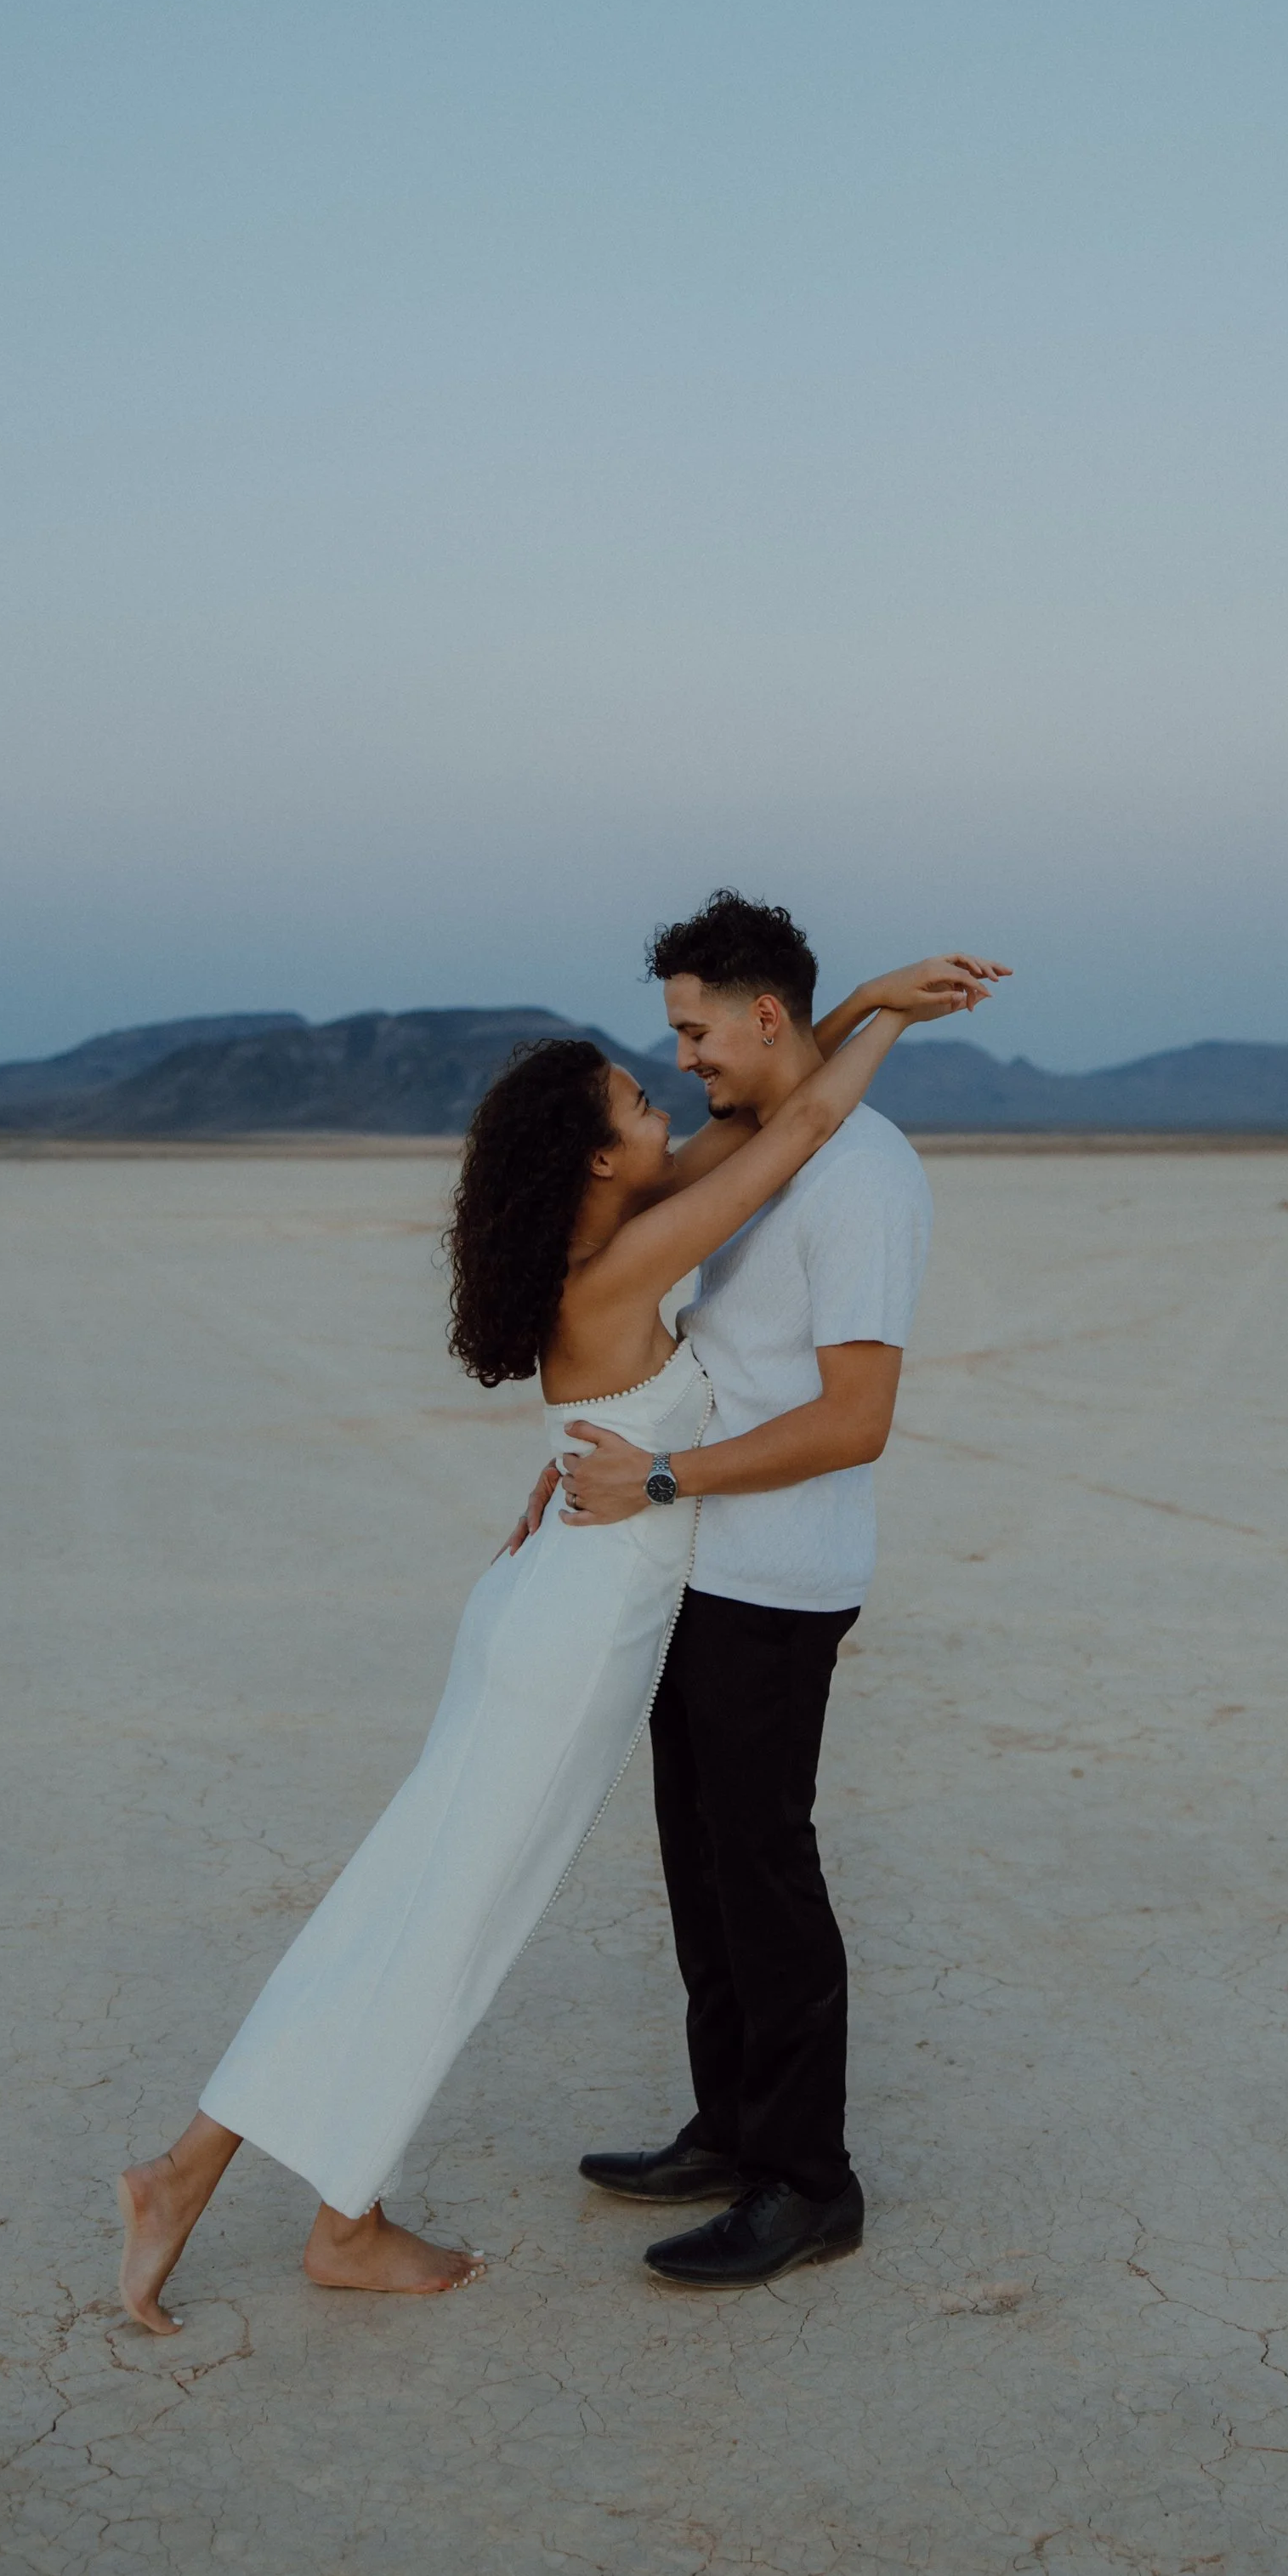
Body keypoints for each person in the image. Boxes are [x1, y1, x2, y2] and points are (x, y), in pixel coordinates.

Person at [114, 940, 1001, 2332]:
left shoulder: (606, 1240)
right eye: (642, 1100)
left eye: (686, 1052)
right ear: (598, 1164)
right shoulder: (637, 1250)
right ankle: (316, 2211)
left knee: (416, 1895)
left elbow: (776, 1092)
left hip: (563, 1609)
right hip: (581, 1632)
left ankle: (198, 2171)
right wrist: (885, 1007)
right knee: (446, 1915)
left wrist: (854, 1014)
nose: (674, 1093)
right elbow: (803, 1110)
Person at [511, 893, 1007, 2289]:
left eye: (692, 1029)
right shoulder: (767, 1156)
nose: (680, 1059)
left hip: (775, 1583)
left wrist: (662, 1484)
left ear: (763, 1014)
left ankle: (809, 2180)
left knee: (767, 1879)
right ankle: (730, 2128)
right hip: (691, 1567)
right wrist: (600, 1469)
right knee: (704, 1871)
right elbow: (700, 1326)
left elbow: (856, 1418)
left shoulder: (863, 1181)